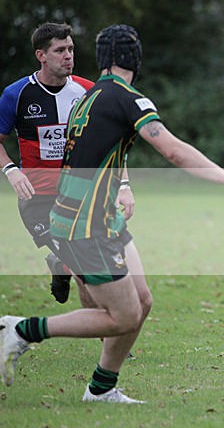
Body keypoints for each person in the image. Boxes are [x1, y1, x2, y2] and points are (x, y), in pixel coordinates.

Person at [0, 24, 224, 403]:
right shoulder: (125, 98)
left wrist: (120, 188)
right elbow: (173, 150)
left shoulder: (91, 95)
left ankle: (101, 389)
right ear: (134, 58)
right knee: (123, 315)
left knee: (141, 301)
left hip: (99, 217)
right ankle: (21, 330)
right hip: (83, 223)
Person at [0, 22, 135, 304]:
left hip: (81, 197)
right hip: (38, 199)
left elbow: (113, 142)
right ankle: (108, 332)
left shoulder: (90, 92)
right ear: (41, 55)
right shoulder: (17, 95)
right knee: (86, 267)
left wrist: (124, 184)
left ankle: (104, 329)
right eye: (60, 50)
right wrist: (11, 171)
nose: (68, 55)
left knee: (88, 268)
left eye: (71, 49)